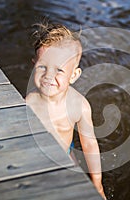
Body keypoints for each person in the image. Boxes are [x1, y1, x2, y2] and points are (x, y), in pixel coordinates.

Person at [26, 22, 106, 199]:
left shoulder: (79, 105)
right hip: (37, 157)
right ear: (34, 65)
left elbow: (90, 145)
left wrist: (98, 184)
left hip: (65, 152)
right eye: (42, 67)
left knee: (76, 184)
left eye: (59, 70)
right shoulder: (29, 103)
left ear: (74, 76)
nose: (49, 76)